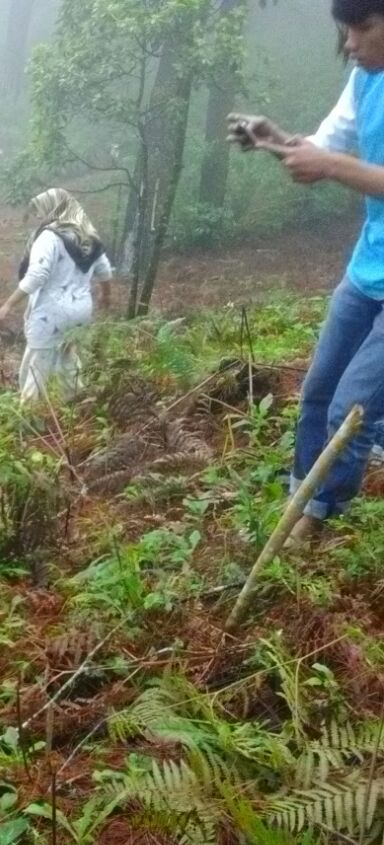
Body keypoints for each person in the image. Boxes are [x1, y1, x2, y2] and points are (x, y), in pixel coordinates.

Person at [227, 0, 384, 542]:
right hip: (368, 269)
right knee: (318, 390)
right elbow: (323, 149)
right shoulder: (365, 79)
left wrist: (332, 167)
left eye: (363, 28)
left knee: (352, 409)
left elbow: (333, 165)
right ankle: (300, 497)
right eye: (345, 30)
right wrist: (278, 141)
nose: (350, 44)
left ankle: (319, 521)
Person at [0, 188, 113, 404]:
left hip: (51, 313)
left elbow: (38, 275)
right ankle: (78, 406)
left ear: (54, 208)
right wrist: (106, 296)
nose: (40, 216)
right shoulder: (88, 237)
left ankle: (28, 418)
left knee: (35, 366)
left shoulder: (50, 237)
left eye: (41, 210)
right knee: (68, 359)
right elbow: (104, 270)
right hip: (81, 311)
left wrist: (8, 305)